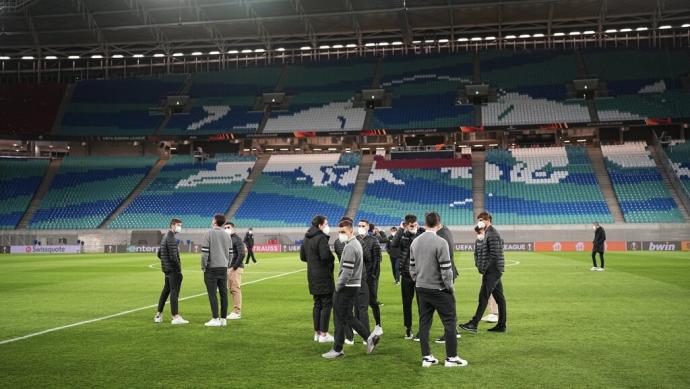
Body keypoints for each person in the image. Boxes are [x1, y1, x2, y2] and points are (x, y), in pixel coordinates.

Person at [410, 212, 467, 368]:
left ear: (425, 223)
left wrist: (418, 281)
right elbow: (446, 270)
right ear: (438, 222)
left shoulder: (415, 242)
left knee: (424, 323)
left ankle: (427, 357)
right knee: (450, 322)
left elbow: (412, 267)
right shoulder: (441, 242)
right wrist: (449, 287)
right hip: (439, 289)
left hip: (422, 288)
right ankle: (451, 358)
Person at [322, 219, 381, 359]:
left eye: (343, 232)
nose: (341, 234)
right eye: (340, 232)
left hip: (346, 287)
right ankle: (369, 338)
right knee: (347, 315)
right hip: (353, 286)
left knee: (339, 317)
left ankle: (338, 349)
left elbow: (347, 272)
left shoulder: (350, 247)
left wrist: (338, 287)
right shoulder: (355, 244)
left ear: (351, 232)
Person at [460, 212, 507, 333]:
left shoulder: (492, 234)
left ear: (488, 220)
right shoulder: (488, 233)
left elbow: (495, 255)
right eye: (478, 220)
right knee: (499, 298)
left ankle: (474, 324)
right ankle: (501, 325)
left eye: (481, 219)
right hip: (494, 270)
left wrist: (485, 269)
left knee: (483, 297)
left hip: (493, 271)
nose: (479, 221)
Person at [300, 215, 336, 343]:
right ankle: (324, 334)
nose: (327, 226)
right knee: (327, 304)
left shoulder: (306, 237)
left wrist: (312, 260)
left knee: (317, 304)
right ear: (320, 225)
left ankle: (317, 333)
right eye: (326, 224)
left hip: (312, 275)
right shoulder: (320, 238)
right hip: (323, 276)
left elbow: (303, 257)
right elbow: (326, 256)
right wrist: (332, 259)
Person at [391, 214, 424, 340]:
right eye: (411, 225)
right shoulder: (402, 235)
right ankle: (408, 329)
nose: (414, 227)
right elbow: (393, 245)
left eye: (415, 225)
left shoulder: (421, 233)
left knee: (422, 304)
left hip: (420, 274)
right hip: (406, 274)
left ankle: (422, 330)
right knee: (407, 303)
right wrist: (400, 229)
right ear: (406, 225)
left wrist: (417, 230)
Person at [433, 215, 462, 344]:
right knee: (448, 303)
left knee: (446, 305)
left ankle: (451, 333)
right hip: (449, 272)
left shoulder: (441, 235)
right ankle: (453, 331)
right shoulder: (446, 230)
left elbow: (444, 256)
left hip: (445, 273)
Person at [154, 218, 189, 325]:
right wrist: (178, 270)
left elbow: (159, 254)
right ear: (173, 225)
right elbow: (174, 257)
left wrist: (166, 263)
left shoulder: (165, 236)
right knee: (174, 292)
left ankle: (158, 314)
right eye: (179, 225)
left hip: (167, 269)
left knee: (166, 291)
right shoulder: (171, 238)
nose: (180, 227)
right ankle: (175, 316)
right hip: (173, 270)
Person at [201, 214, 233, 327]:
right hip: (223, 268)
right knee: (224, 294)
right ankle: (223, 319)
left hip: (211, 268)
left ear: (215, 221)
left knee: (212, 294)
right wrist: (227, 264)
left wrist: (203, 267)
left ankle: (215, 318)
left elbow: (205, 253)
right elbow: (231, 253)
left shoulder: (208, 234)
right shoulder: (227, 235)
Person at [356, 219, 383, 337]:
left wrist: (373, 275)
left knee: (372, 301)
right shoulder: (355, 239)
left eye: (363, 225)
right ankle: (358, 327)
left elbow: (378, 259)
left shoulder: (373, 240)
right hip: (358, 276)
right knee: (357, 302)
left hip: (370, 276)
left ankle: (378, 325)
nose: (361, 227)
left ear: (368, 227)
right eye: (359, 225)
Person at [474, 223, 498, 323]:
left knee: (492, 292)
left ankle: (494, 313)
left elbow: (493, 255)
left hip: (490, 270)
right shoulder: (479, 240)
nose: (479, 234)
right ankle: (492, 313)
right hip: (483, 270)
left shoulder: (489, 239)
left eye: (480, 231)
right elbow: (476, 255)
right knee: (489, 292)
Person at [225, 222, 245, 320]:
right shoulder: (228, 239)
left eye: (228, 227)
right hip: (229, 268)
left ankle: (237, 311)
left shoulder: (237, 239)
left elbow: (242, 254)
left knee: (235, 289)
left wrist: (233, 268)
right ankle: (235, 310)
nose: (226, 229)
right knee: (232, 290)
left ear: (233, 228)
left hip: (235, 268)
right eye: (225, 227)